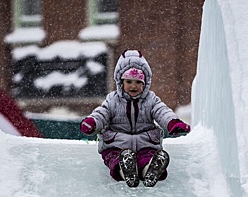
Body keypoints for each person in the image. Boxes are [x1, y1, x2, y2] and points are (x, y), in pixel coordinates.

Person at [79, 49, 190, 188]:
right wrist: (93, 122)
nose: (133, 86)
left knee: (147, 157)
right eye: (129, 81)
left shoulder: (151, 99)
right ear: (121, 82)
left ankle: (149, 170)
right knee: (114, 158)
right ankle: (125, 170)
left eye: (138, 82)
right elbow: (102, 113)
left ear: (145, 83)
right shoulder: (113, 100)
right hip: (116, 145)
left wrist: (173, 123)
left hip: (145, 143)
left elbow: (162, 112)